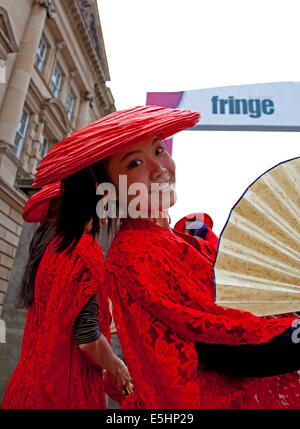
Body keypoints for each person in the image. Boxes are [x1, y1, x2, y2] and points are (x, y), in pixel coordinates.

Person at [31, 105, 300, 409]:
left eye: (159, 149)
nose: (159, 167)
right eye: (134, 163)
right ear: (106, 190)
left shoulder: (175, 241)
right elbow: (218, 345)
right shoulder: (133, 252)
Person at [1, 164, 131, 409]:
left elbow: (63, 319)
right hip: (65, 392)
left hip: (28, 386)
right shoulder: (85, 252)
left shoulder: (52, 247)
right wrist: (116, 365)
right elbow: (87, 338)